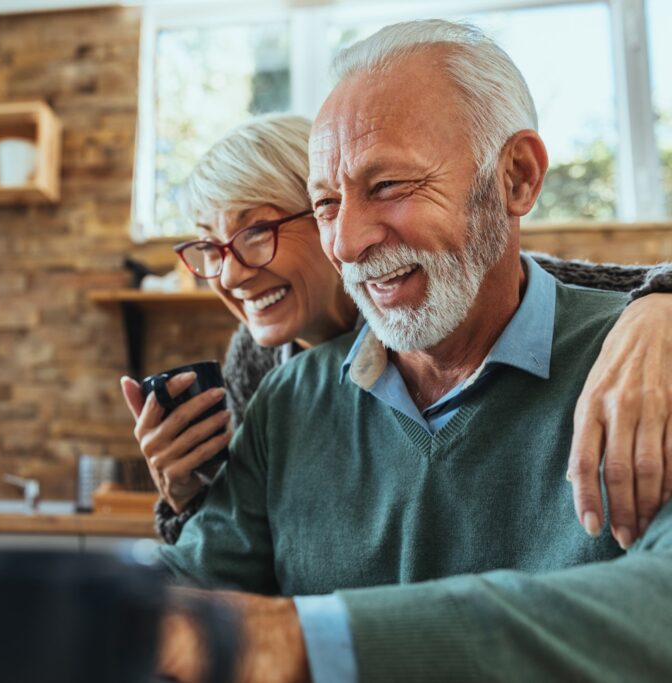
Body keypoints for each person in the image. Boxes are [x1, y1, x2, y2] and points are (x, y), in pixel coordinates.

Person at [155, 20, 672, 682]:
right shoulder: (287, 396)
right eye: (326, 203)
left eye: (389, 186)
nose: (346, 241)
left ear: (515, 177)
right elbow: (190, 577)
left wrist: (307, 640)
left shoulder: (643, 368)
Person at [122, 113, 672, 547]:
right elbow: (242, 550)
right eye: (210, 247)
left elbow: (602, 291)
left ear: (328, 214)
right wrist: (185, 496)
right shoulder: (259, 362)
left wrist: (658, 309)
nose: (233, 273)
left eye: (256, 232)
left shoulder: (449, 294)